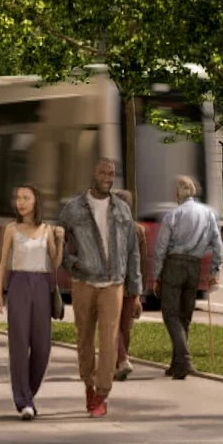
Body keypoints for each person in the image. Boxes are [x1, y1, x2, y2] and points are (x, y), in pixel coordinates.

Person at [58, 156, 146, 418]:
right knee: (84, 338)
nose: (108, 178)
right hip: (84, 283)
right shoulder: (73, 209)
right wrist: (72, 264)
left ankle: (102, 393)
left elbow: (132, 252)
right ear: (93, 175)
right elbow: (58, 240)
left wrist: (136, 289)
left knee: (109, 340)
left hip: (113, 284)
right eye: (103, 173)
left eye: (112, 174)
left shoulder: (122, 209)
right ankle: (88, 383)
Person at [0, 183, 61, 420]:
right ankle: (24, 401)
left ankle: (28, 394)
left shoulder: (47, 229)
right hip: (19, 284)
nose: (20, 202)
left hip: (42, 285)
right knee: (19, 345)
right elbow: (4, 263)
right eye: (18, 198)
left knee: (43, 346)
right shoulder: (11, 229)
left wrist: (60, 241)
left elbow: (55, 262)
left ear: (36, 202)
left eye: (26, 198)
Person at [153, 175, 223, 380]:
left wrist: (157, 275)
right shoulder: (208, 214)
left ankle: (184, 359)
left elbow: (160, 248)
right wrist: (214, 272)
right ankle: (177, 365)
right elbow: (218, 246)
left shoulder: (172, 215)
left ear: (177, 193)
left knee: (171, 314)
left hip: (174, 265)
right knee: (185, 315)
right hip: (195, 266)